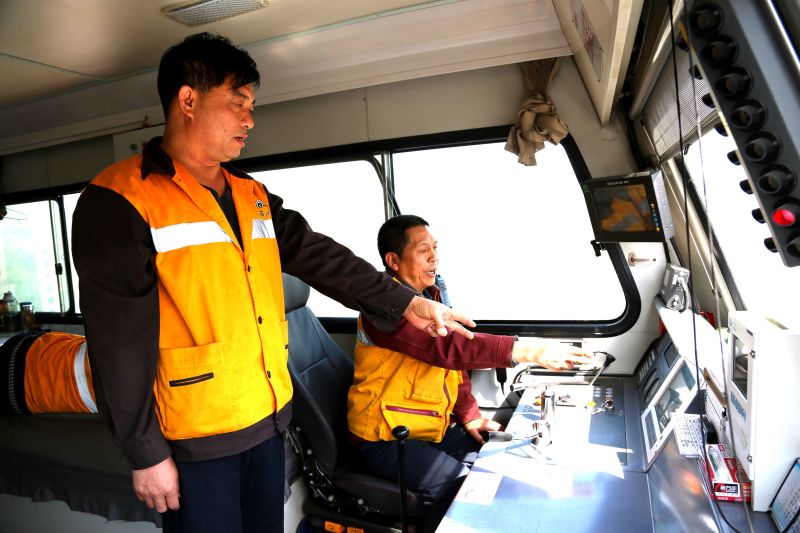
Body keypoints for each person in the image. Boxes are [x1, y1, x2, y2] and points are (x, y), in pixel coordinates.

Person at [71, 33, 474, 533]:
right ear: (188, 100)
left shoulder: (251, 194)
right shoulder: (121, 198)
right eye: (238, 103)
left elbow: (321, 257)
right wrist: (144, 451)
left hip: (268, 420)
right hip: (195, 436)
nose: (249, 120)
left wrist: (409, 304)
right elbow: (117, 342)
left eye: (252, 107)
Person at [347, 214, 592, 532]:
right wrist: (529, 351)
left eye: (435, 247)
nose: (434, 257)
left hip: (430, 428)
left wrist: (470, 416)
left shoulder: (430, 298)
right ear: (393, 260)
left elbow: (451, 368)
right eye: (422, 250)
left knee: (496, 464)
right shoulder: (383, 307)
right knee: (463, 488)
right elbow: (447, 350)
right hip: (384, 438)